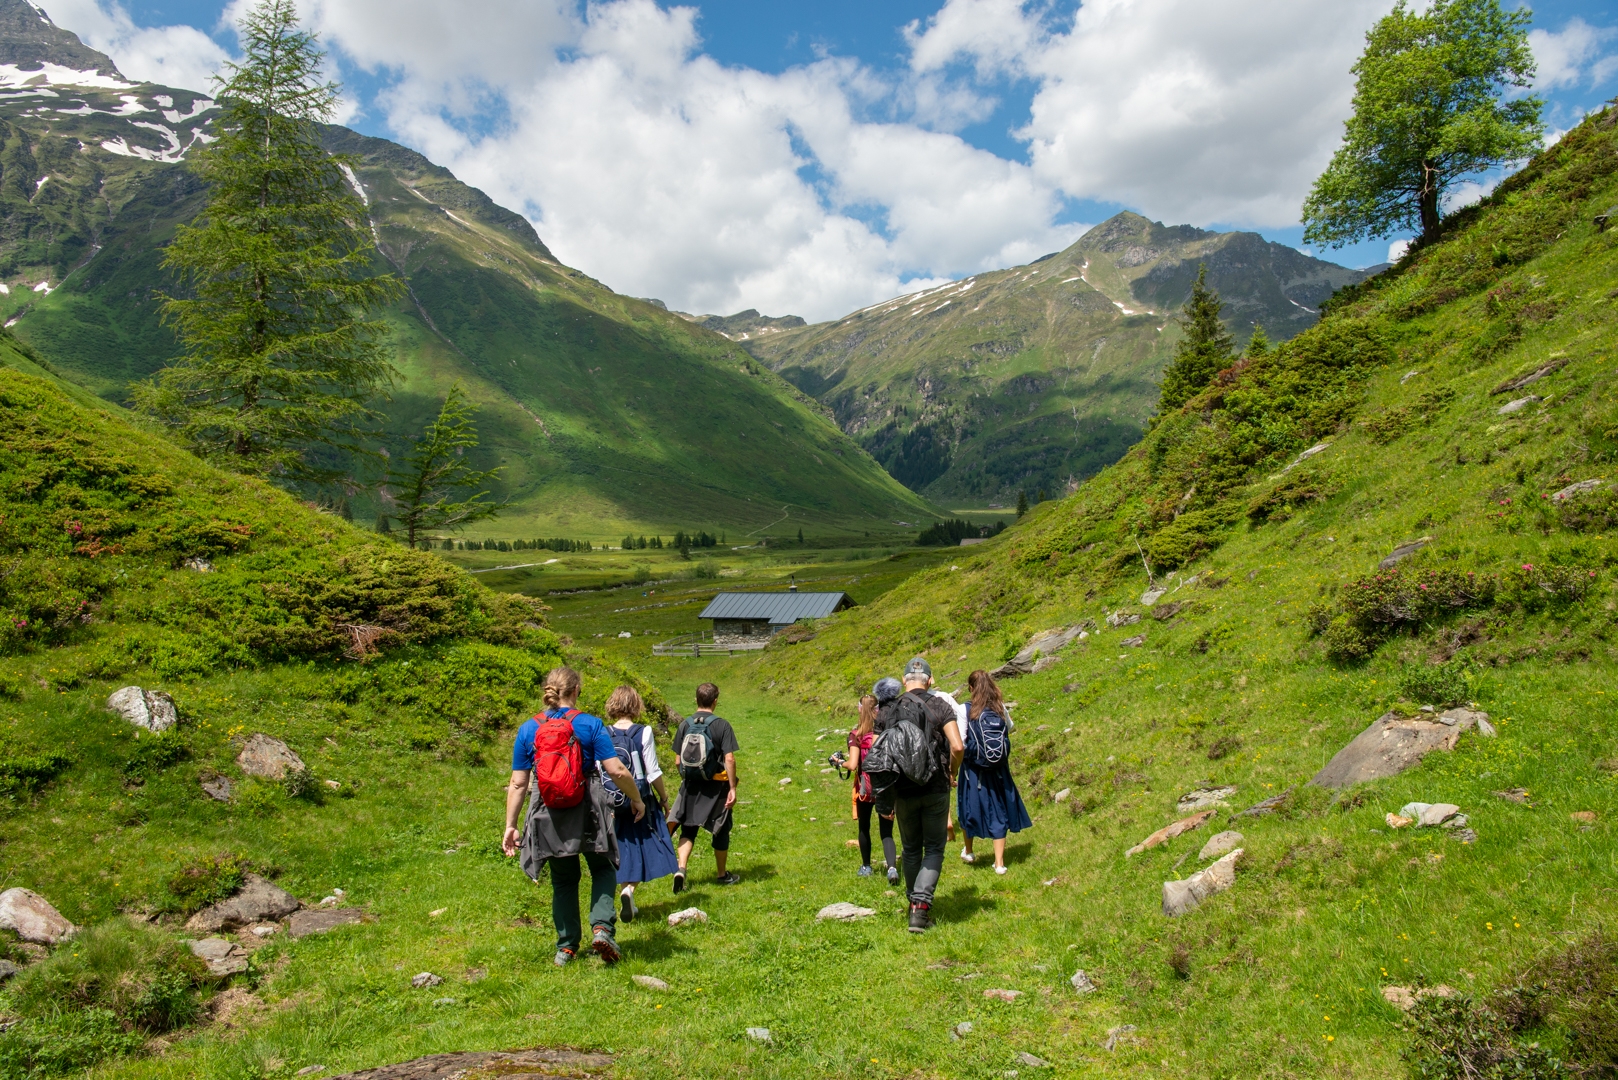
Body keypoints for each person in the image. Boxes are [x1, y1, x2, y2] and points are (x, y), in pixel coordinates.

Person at [502, 666, 646, 967]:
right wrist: (636, 799)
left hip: (548, 810)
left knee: (564, 879)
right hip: (587, 806)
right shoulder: (590, 725)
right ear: (576, 690)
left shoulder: (529, 729)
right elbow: (617, 770)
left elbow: (518, 782)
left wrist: (511, 826)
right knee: (603, 867)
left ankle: (566, 947)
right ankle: (602, 929)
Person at [891, 657, 964, 933]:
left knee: (911, 848)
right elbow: (957, 747)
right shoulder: (940, 705)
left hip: (903, 789)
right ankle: (920, 909)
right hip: (935, 786)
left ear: (904, 679)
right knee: (934, 848)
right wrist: (951, 772)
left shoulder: (888, 711)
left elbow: (877, 754)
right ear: (930, 680)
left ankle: (913, 903)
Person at [602, 685, 679, 922]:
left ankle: (627, 894)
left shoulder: (604, 733)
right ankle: (629, 890)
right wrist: (664, 799)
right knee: (648, 846)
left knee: (625, 847)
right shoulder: (643, 732)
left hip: (614, 801)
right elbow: (653, 771)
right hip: (640, 800)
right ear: (636, 705)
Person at [957, 669, 1032, 874]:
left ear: (971, 688)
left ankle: (969, 851)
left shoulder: (966, 709)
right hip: (998, 769)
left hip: (973, 770)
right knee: (998, 811)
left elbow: (961, 742)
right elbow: (1011, 728)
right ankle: (999, 863)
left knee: (968, 808)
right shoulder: (999, 708)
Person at [668, 682, 741, 890]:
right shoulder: (722, 725)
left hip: (691, 785)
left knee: (688, 828)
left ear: (696, 700)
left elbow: (676, 761)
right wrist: (733, 787)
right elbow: (730, 758)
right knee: (721, 828)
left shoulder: (685, 724)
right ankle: (721, 874)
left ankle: (681, 868)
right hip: (717, 787)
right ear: (715, 701)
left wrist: (688, 776)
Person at [847, 690, 898, 883]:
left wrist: (839, 762)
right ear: (878, 710)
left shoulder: (855, 735)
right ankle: (892, 867)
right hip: (886, 786)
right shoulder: (885, 733)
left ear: (860, 710)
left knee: (864, 826)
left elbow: (852, 765)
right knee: (887, 829)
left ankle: (866, 866)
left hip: (865, 789)